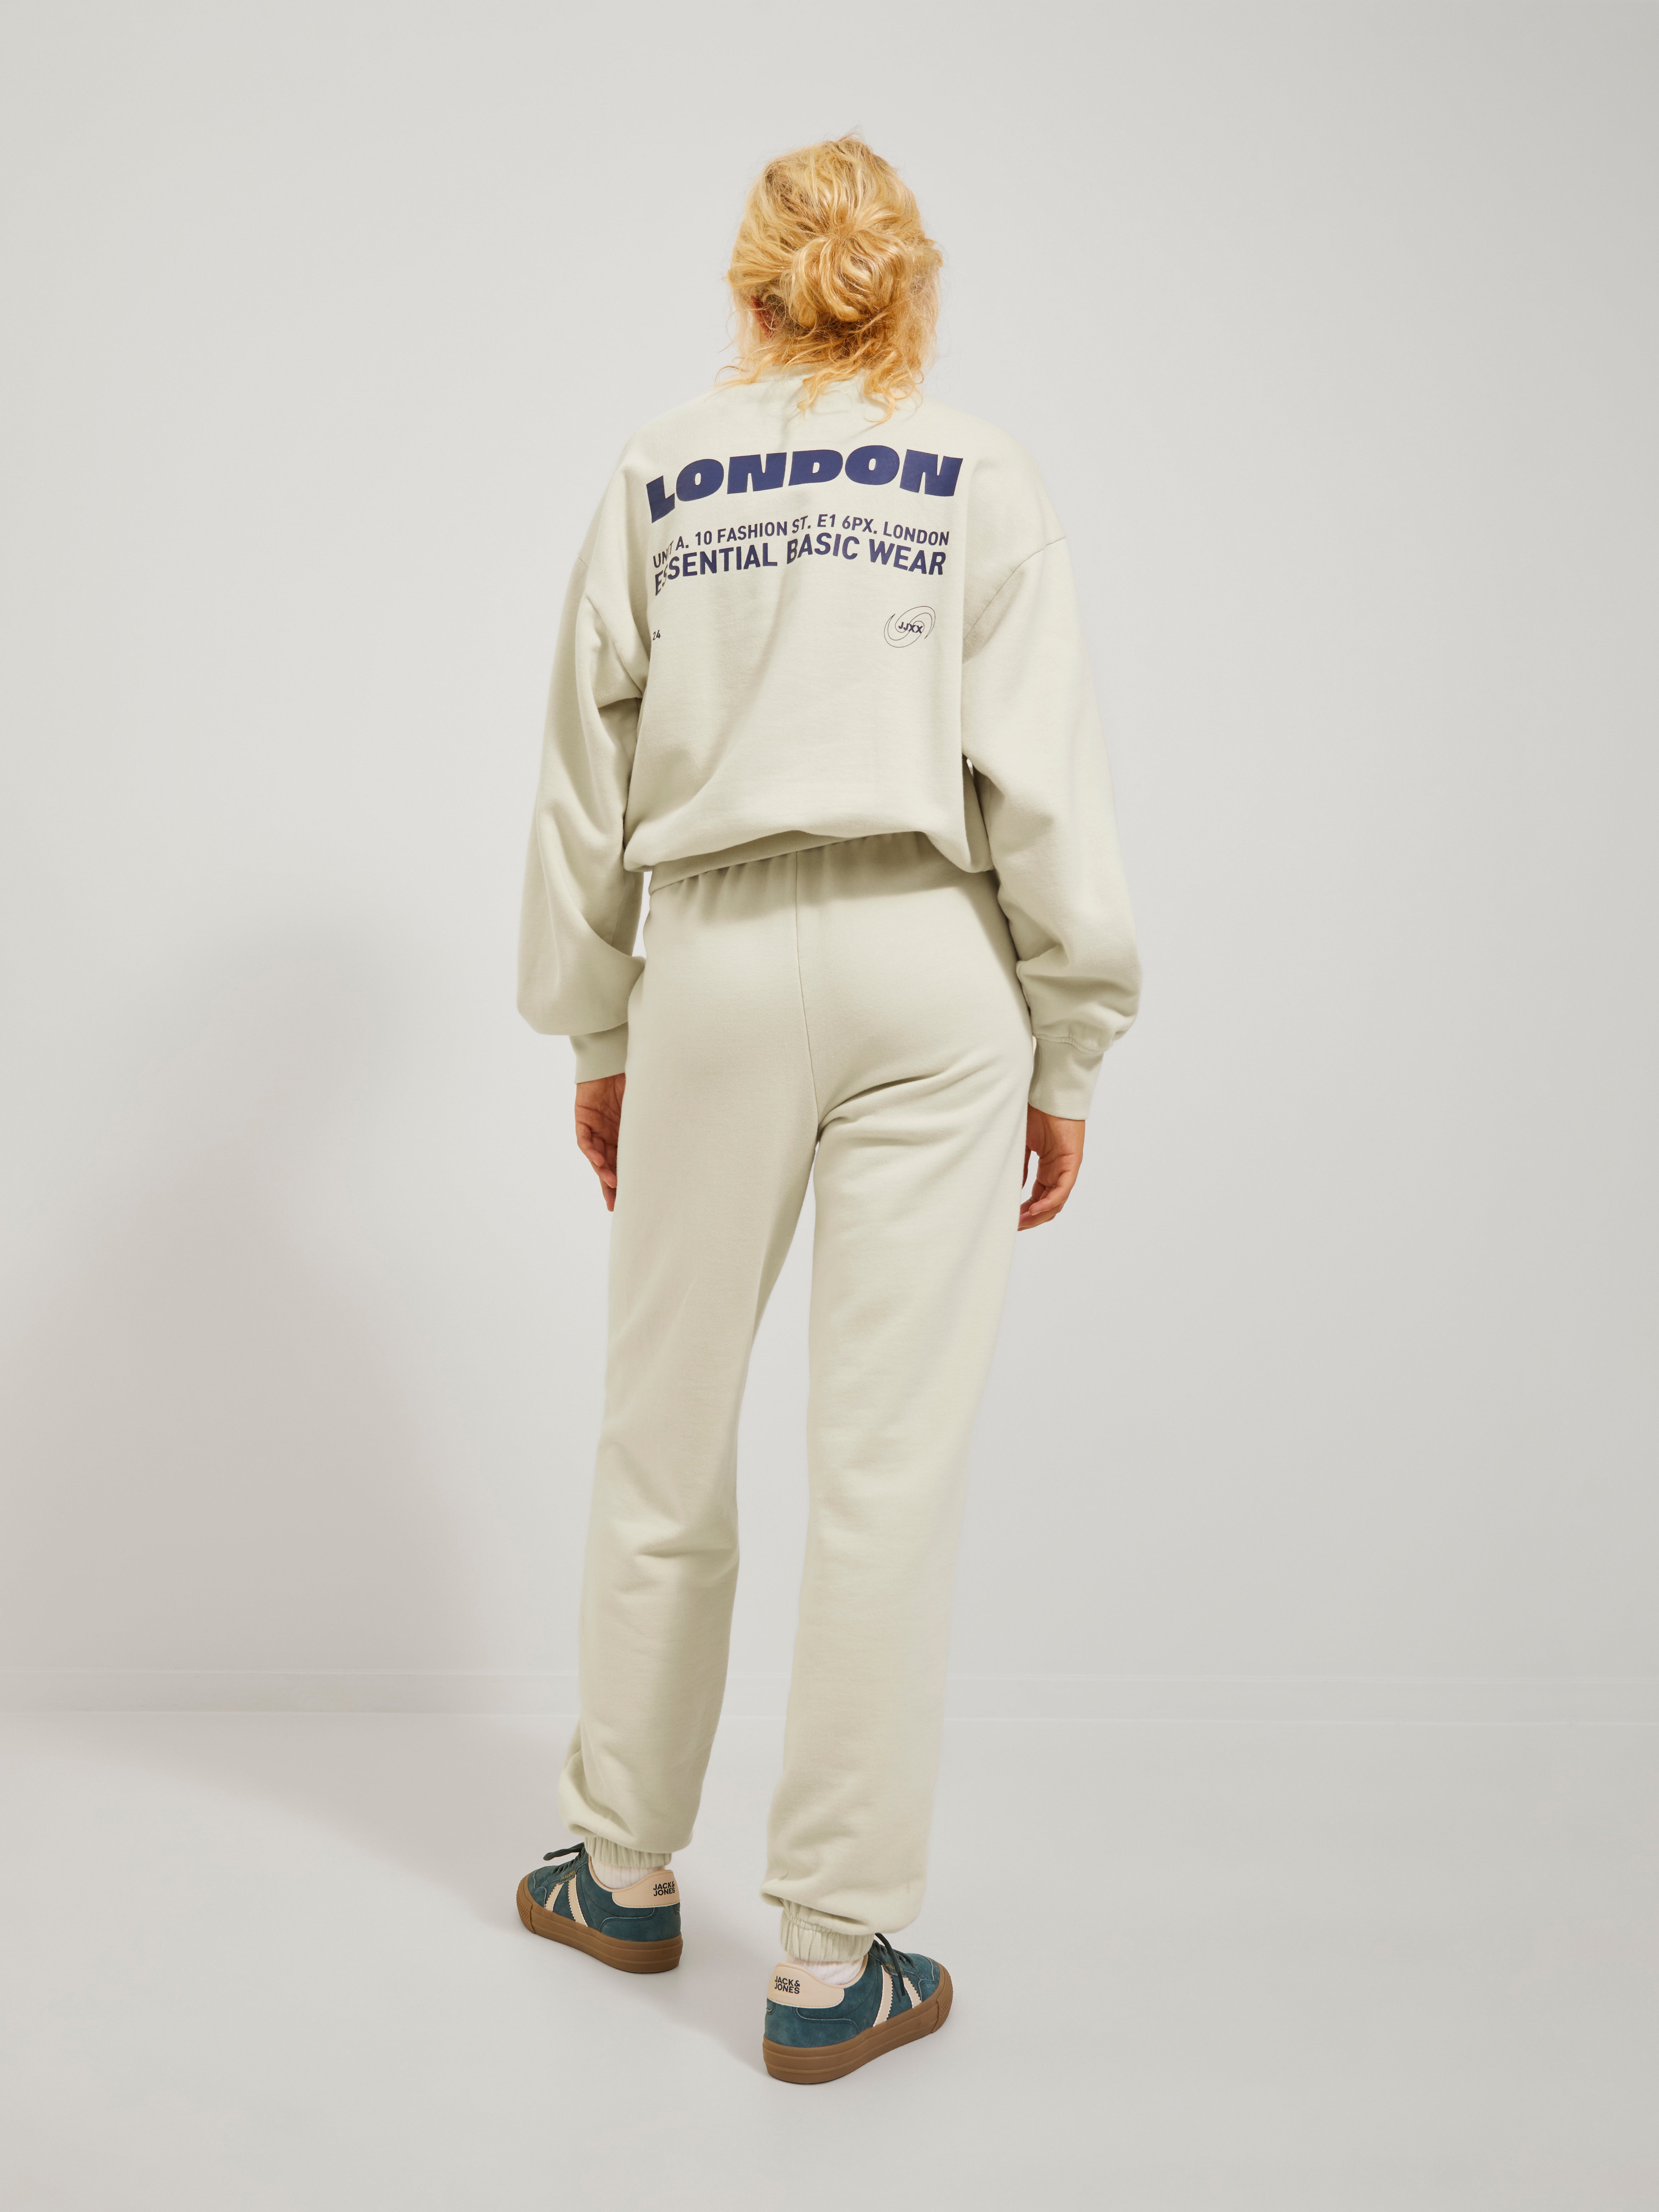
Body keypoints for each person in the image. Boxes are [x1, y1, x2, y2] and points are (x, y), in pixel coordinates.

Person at [513, 135, 1140, 2083]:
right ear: (910, 287)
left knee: (661, 1437)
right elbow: (1041, 787)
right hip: (930, 968)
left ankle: (621, 1868)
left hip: (706, 962)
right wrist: (1070, 1042)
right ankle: (830, 1961)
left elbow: (580, 781)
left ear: (746, 285)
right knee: (884, 1470)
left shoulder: (658, 469)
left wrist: (597, 1032)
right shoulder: (978, 474)